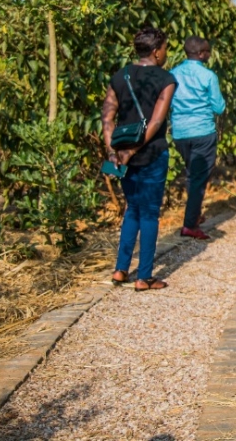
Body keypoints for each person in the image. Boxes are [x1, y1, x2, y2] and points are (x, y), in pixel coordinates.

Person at [102, 27, 177, 291]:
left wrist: (115, 152)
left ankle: (121, 270)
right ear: (157, 51)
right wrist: (134, 150)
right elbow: (156, 121)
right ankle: (144, 276)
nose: (166, 53)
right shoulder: (166, 80)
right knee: (150, 214)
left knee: (131, 209)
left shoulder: (119, 76)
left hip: (123, 157)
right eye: (165, 48)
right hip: (153, 153)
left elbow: (107, 117)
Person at [171, 36, 225, 241]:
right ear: (201, 54)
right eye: (208, 52)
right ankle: (189, 225)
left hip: (180, 132)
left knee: (192, 174)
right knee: (199, 178)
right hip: (202, 130)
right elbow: (218, 107)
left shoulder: (173, 74)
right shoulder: (208, 76)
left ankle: (195, 214)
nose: (210, 55)